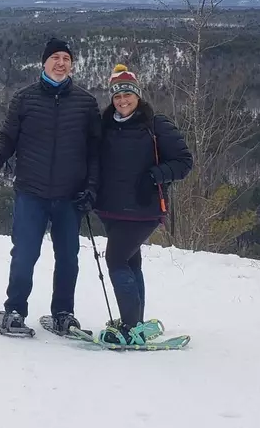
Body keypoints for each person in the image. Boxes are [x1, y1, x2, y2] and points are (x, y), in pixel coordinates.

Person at [0, 37, 101, 335]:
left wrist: (92, 187)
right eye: (55, 58)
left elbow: (96, 152)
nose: (61, 63)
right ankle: (15, 311)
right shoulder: (25, 99)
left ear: (72, 65)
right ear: (44, 62)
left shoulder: (86, 103)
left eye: (66, 59)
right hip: (31, 192)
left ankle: (63, 313)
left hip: (69, 195)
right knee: (24, 253)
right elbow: (8, 135)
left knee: (68, 258)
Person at [93, 64, 192, 346]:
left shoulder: (156, 124)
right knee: (131, 261)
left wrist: (153, 176)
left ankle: (130, 327)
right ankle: (134, 320)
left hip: (144, 208)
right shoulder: (106, 125)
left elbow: (184, 162)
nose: (122, 100)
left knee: (115, 259)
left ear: (137, 95)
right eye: (117, 96)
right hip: (111, 208)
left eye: (127, 94)